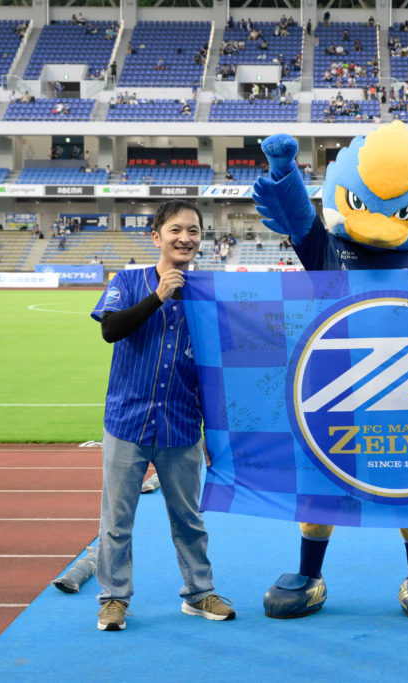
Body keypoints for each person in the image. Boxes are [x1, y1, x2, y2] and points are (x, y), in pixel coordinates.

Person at [90, 200, 235, 632]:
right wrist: (158, 297)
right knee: (117, 520)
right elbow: (110, 330)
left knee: (189, 519)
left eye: (193, 231)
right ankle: (114, 598)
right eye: (175, 230)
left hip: (182, 424)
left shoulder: (207, 294)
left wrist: (214, 434)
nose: (185, 238)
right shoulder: (128, 280)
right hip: (127, 422)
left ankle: (199, 592)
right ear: (156, 237)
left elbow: (214, 369)